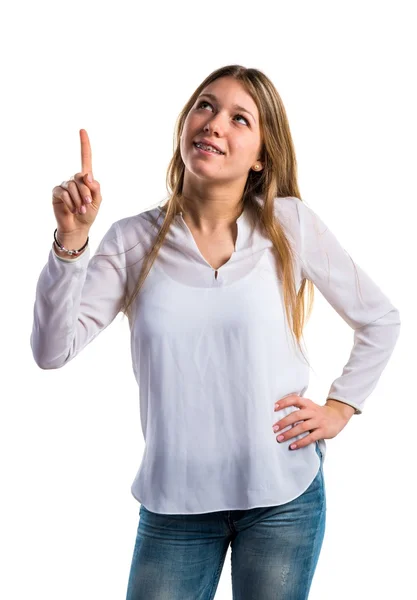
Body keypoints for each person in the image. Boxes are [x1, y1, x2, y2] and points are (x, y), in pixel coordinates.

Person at [30, 64, 401, 599]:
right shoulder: (132, 241)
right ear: (184, 124)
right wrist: (71, 244)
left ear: (261, 156)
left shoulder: (289, 224)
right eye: (205, 106)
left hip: (282, 497)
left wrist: (342, 407)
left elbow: (380, 318)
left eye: (239, 118)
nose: (214, 124)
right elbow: (51, 350)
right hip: (173, 506)